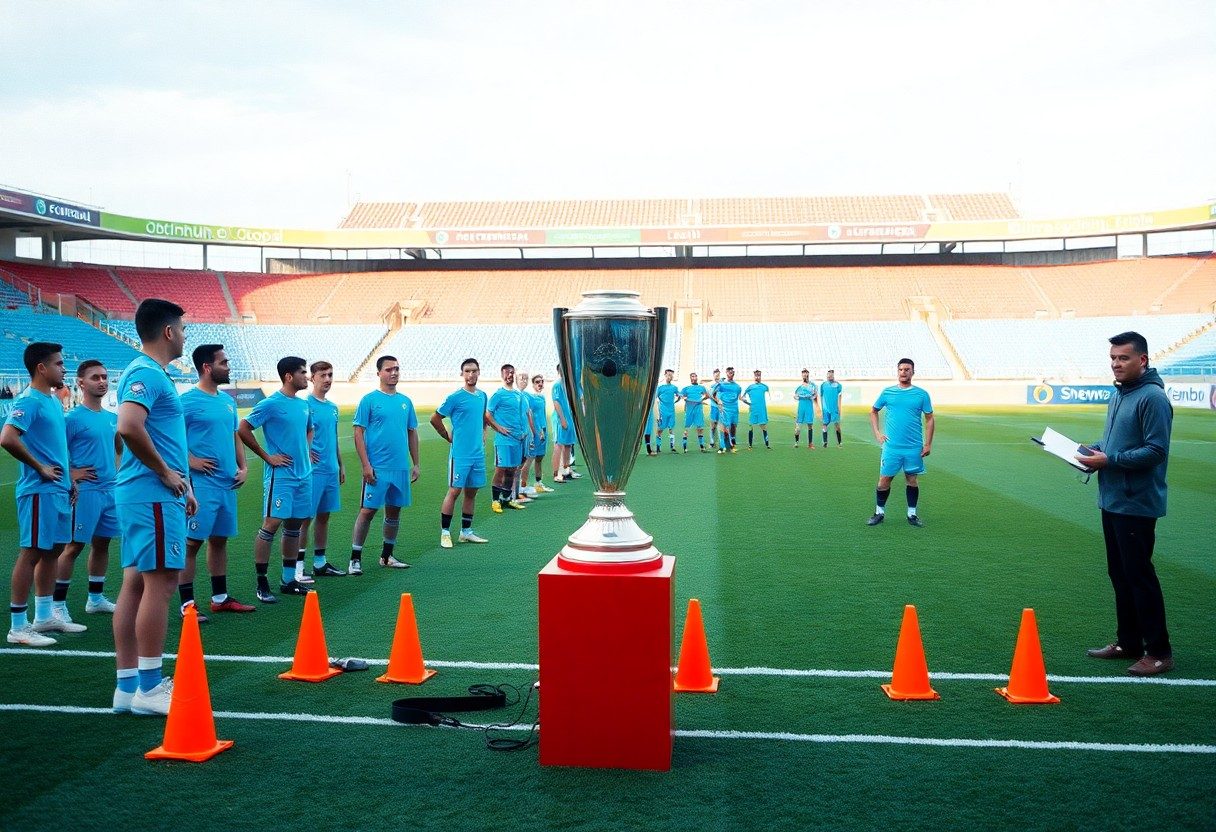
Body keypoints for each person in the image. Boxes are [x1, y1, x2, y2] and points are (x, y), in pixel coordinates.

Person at [111, 299, 197, 715]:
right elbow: (127, 426)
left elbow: (139, 434)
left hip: (148, 493)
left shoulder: (147, 372)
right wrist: (165, 473)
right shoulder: (147, 373)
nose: (183, 336)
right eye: (182, 329)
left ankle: (127, 687)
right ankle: (149, 688)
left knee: (135, 585)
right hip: (152, 495)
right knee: (160, 587)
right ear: (168, 332)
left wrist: (184, 482)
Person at [1080, 331, 1174, 676]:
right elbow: (1111, 441)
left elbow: (1156, 451)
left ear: (1142, 360)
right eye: (1113, 358)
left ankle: (1160, 651)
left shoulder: (1152, 398)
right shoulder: (1120, 394)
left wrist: (1109, 460)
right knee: (1120, 574)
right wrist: (1090, 451)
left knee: (1139, 576)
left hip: (1136, 502)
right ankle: (1129, 642)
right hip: (1114, 498)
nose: (1116, 364)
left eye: (1123, 358)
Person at [2, 343, 75, 647]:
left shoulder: (54, 401)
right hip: (38, 491)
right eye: (59, 364)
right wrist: (39, 467)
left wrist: (70, 479)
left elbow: (57, 445)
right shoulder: (29, 400)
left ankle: (44, 616)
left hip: (59, 489)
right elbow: (7, 437)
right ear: (42, 368)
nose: (64, 368)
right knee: (31, 552)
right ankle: (18, 626)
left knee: (53, 551)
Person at [179, 345, 255, 622]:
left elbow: (235, 435)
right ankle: (187, 605)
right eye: (224, 362)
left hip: (227, 483)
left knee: (219, 540)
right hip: (202, 484)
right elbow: (167, 436)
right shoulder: (187, 401)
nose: (229, 366)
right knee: (192, 543)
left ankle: (220, 599)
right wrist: (190, 460)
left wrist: (244, 467)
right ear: (207, 368)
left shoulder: (227, 401)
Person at [238, 356, 315, 600]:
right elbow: (243, 428)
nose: (307, 376)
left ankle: (288, 579)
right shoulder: (271, 403)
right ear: (289, 376)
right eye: (303, 372)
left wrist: (305, 450)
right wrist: (267, 457)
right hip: (281, 477)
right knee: (271, 525)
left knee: (294, 525)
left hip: (304, 476)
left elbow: (309, 428)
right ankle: (261, 583)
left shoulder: (303, 405)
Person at [56, 360, 120, 625]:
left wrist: (115, 471)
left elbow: (118, 446)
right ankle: (57, 606)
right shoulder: (72, 419)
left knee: (102, 543)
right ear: (80, 383)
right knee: (73, 547)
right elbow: (56, 451)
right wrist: (71, 474)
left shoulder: (111, 418)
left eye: (105, 377)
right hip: (85, 492)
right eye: (95, 378)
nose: (102, 382)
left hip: (110, 491)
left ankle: (95, 599)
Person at [430, 358, 509, 548]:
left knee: (471, 493)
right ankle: (445, 533)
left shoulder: (482, 396)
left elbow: (483, 416)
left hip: (477, 454)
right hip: (460, 454)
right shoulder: (455, 397)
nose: (471, 374)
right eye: (467, 371)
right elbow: (435, 418)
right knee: (454, 491)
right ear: (462, 374)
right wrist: (446, 435)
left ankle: (466, 532)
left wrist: (484, 431)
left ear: (479, 372)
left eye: (474, 371)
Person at [350, 356, 419, 571]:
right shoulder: (369, 400)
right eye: (389, 369)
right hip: (377, 467)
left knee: (394, 511)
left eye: (397, 369)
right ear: (379, 373)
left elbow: (412, 432)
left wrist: (416, 463)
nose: (394, 373)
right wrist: (365, 465)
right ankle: (355, 558)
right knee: (367, 511)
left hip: (400, 468)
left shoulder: (406, 401)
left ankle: (387, 556)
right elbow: (358, 432)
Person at [867, 358, 933, 527]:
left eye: (907, 369)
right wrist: (877, 433)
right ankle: (879, 512)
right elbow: (873, 411)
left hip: (913, 447)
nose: (904, 372)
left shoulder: (921, 394)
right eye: (901, 369)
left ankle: (912, 515)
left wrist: (928, 444)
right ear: (898, 372)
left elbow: (930, 418)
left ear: (913, 372)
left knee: (912, 480)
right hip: (892, 447)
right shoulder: (888, 392)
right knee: (883, 481)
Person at [298, 361, 347, 579]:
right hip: (313, 470)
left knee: (324, 516)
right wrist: (305, 452)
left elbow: (334, 437)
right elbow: (297, 434)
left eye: (330, 375)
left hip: (330, 468)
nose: (327, 379)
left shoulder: (333, 407)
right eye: (323, 375)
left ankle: (320, 562)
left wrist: (341, 464)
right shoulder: (304, 404)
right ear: (312, 378)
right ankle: (297, 567)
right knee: (305, 518)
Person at [489, 364, 535, 511]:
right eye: (506, 373)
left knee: (512, 470)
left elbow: (524, 414)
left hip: (518, 439)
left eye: (511, 373)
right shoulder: (498, 394)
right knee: (501, 469)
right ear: (502, 375)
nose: (509, 375)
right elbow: (487, 415)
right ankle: (495, 500)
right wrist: (498, 428)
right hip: (504, 440)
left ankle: (507, 499)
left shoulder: (518, 395)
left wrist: (526, 432)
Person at [525, 374, 554, 494]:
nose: (540, 384)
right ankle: (522, 485)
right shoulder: (530, 398)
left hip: (543, 431)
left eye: (541, 381)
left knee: (540, 458)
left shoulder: (542, 397)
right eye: (537, 382)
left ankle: (538, 483)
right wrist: (534, 431)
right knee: (530, 458)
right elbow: (529, 414)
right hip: (535, 432)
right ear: (532, 384)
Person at [551, 365, 579, 483]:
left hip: (569, 417)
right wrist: (562, 419)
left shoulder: (569, 385)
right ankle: (556, 473)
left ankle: (567, 470)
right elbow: (556, 402)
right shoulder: (557, 385)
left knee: (568, 444)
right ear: (559, 371)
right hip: (561, 418)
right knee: (559, 445)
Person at [714, 367, 743, 454]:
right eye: (729, 372)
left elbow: (738, 397)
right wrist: (718, 401)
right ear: (726, 373)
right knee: (722, 427)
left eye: (732, 373)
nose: (731, 374)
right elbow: (713, 394)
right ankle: (722, 447)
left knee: (733, 427)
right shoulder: (721, 385)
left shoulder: (737, 387)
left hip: (734, 410)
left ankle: (732, 445)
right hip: (724, 409)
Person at [680, 372, 710, 453]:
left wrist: (702, 399)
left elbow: (707, 395)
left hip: (698, 411)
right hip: (689, 411)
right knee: (686, 429)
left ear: (697, 377)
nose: (694, 378)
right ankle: (685, 447)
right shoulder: (686, 388)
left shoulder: (701, 387)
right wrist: (684, 398)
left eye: (695, 376)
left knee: (700, 429)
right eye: (692, 376)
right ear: (690, 378)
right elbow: (681, 395)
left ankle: (702, 447)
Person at [742, 369, 771, 450]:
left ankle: (767, 444)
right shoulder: (750, 387)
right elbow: (743, 397)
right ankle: (750, 445)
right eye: (756, 375)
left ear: (760, 376)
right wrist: (747, 403)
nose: (757, 377)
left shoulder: (764, 387)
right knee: (750, 426)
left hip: (762, 411)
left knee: (764, 426)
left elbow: (768, 396)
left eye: (759, 375)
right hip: (753, 410)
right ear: (753, 376)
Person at [654, 369, 679, 454]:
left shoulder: (674, 387)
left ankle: (672, 447)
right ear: (665, 375)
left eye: (671, 375)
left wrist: (677, 399)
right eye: (668, 375)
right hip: (663, 412)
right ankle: (658, 447)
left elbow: (678, 395)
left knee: (671, 429)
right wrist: (657, 410)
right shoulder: (660, 387)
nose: (670, 377)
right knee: (660, 430)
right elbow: (655, 398)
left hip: (671, 412)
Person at [793, 369, 818, 450]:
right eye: (803, 374)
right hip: (801, 407)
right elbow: (795, 396)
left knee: (810, 425)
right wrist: (799, 397)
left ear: (808, 375)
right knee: (798, 427)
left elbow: (815, 395)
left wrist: (811, 397)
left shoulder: (813, 385)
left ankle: (810, 444)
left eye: (806, 374)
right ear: (802, 376)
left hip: (809, 407)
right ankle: (796, 442)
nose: (804, 376)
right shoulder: (799, 387)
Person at [820, 369, 843, 447]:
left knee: (837, 425)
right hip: (825, 409)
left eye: (831, 375)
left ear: (833, 376)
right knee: (824, 424)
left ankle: (839, 442)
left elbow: (840, 396)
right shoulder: (823, 385)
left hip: (834, 409)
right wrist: (822, 408)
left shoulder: (838, 385)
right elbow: (821, 396)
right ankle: (825, 442)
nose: (829, 376)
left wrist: (839, 408)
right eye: (828, 375)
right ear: (827, 376)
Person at [708, 369, 722, 449]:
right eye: (716, 375)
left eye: (718, 375)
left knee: (721, 425)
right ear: (713, 375)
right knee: (713, 425)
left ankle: (721, 442)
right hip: (714, 407)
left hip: (721, 407)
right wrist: (717, 401)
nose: (717, 376)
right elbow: (710, 395)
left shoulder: (722, 384)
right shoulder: (712, 385)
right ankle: (712, 441)